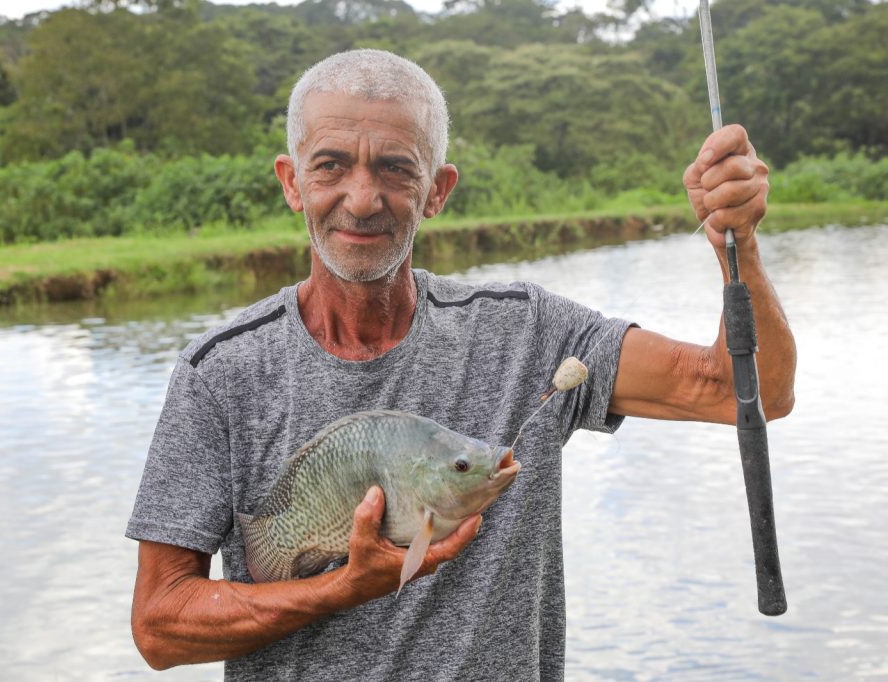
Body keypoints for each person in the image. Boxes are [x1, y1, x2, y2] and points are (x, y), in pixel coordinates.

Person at [125, 49, 795, 680]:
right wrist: (340, 588)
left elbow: (753, 391)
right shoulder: (220, 373)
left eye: (395, 168)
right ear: (292, 183)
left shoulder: (528, 331)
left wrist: (738, 241)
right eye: (330, 165)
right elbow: (160, 627)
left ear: (437, 190)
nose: (362, 198)